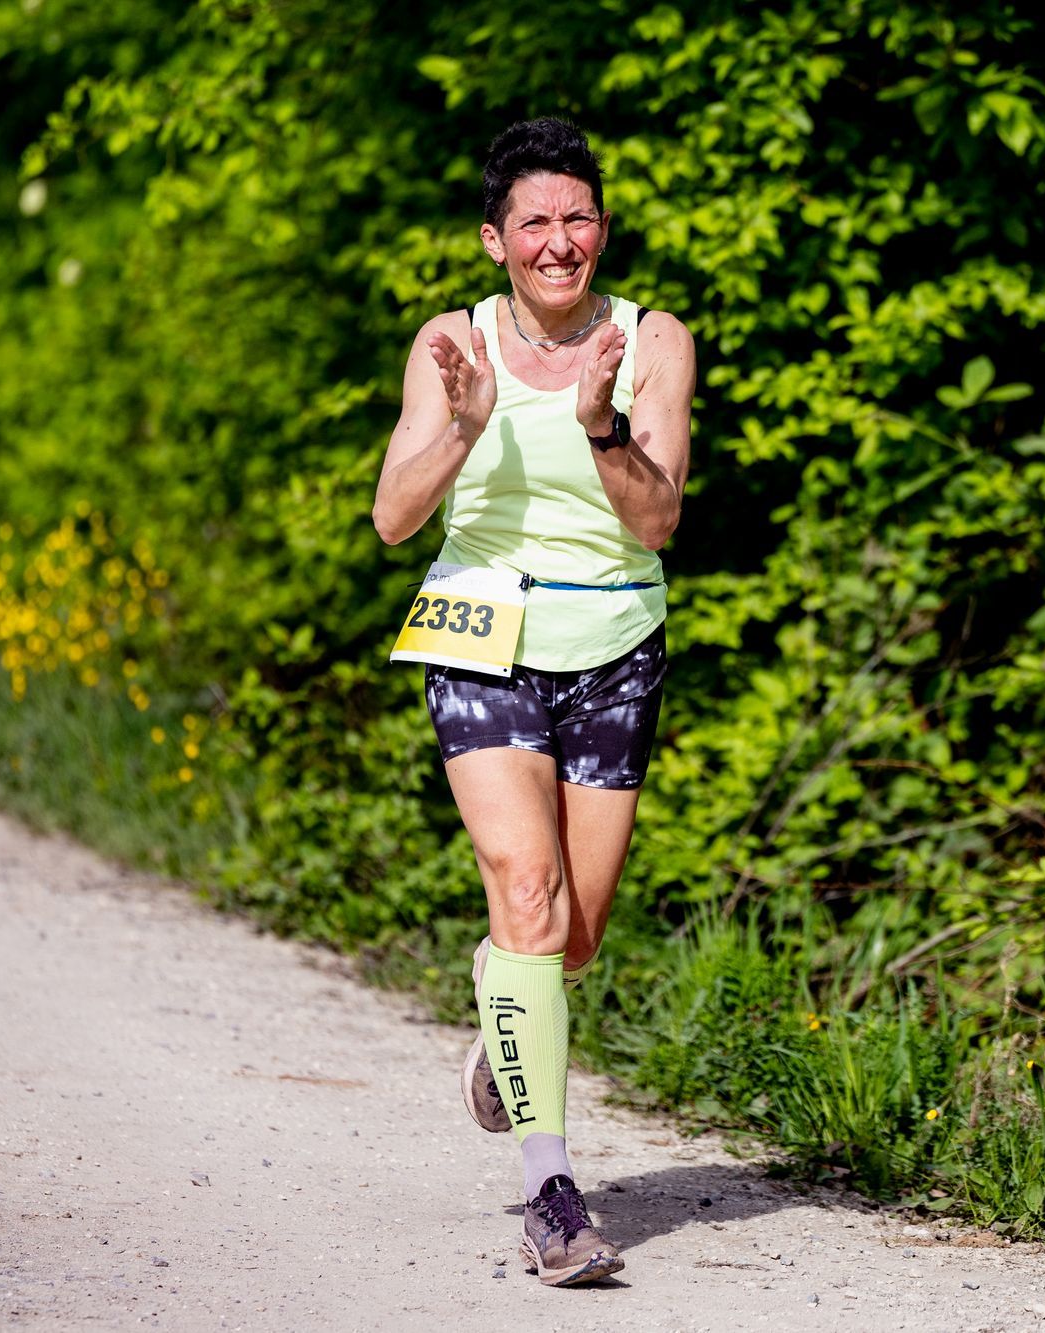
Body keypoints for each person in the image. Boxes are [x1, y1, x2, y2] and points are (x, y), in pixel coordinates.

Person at [371, 119, 694, 1287]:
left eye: (577, 219)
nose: (559, 243)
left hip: (612, 637)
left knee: (571, 937)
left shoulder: (651, 339)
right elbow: (393, 518)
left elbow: (656, 520)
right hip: (481, 627)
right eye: (534, 224)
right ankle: (551, 1196)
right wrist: (462, 425)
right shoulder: (449, 343)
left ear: (600, 228)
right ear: (494, 240)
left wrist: (599, 420)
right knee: (526, 888)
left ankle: (506, 1027)